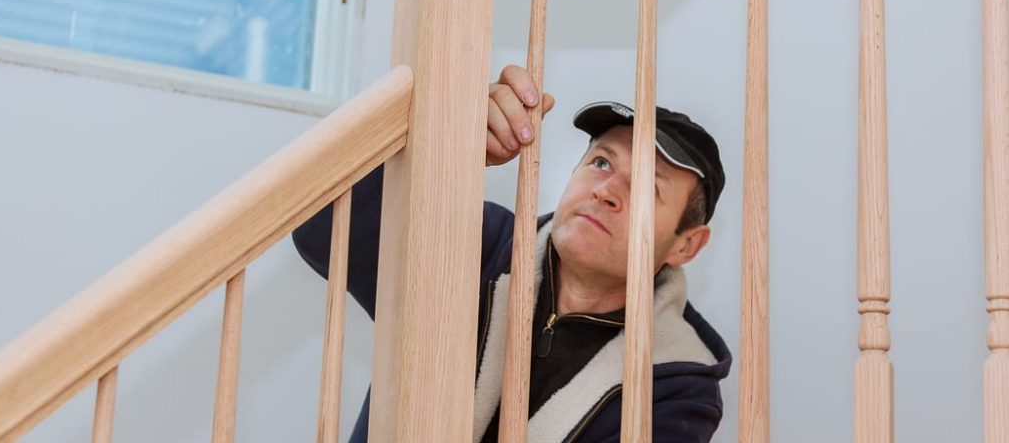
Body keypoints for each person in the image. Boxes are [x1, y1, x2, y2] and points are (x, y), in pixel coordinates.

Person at [293, 65, 732, 442]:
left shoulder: (678, 388)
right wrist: (443, 134)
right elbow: (319, 229)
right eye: (601, 162)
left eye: (646, 187)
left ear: (686, 244)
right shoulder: (479, 243)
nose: (606, 191)